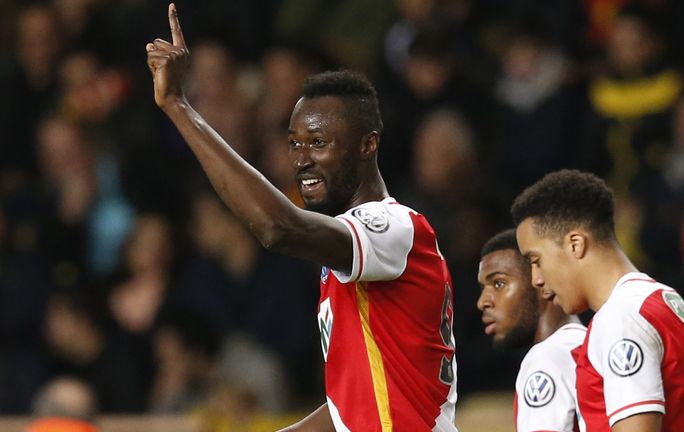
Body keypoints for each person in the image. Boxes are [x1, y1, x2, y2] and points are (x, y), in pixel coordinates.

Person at [145, 4, 457, 431]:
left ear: (367, 145)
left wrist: (180, 106)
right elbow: (347, 408)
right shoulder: (346, 259)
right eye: (294, 143)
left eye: (319, 142)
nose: (302, 160)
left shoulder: (394, 227)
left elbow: (277, 227)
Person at [510, 169, 684, 432]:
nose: (536, 279)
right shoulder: (671, 303)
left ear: (575, 244)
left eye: (536, 261)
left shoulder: (620, 318)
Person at [476, 229, 585, 431]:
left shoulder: (548, 357)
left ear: (541, 279)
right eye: (483, 288)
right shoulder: (588, 346)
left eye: (498, 283)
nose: (482, 302)